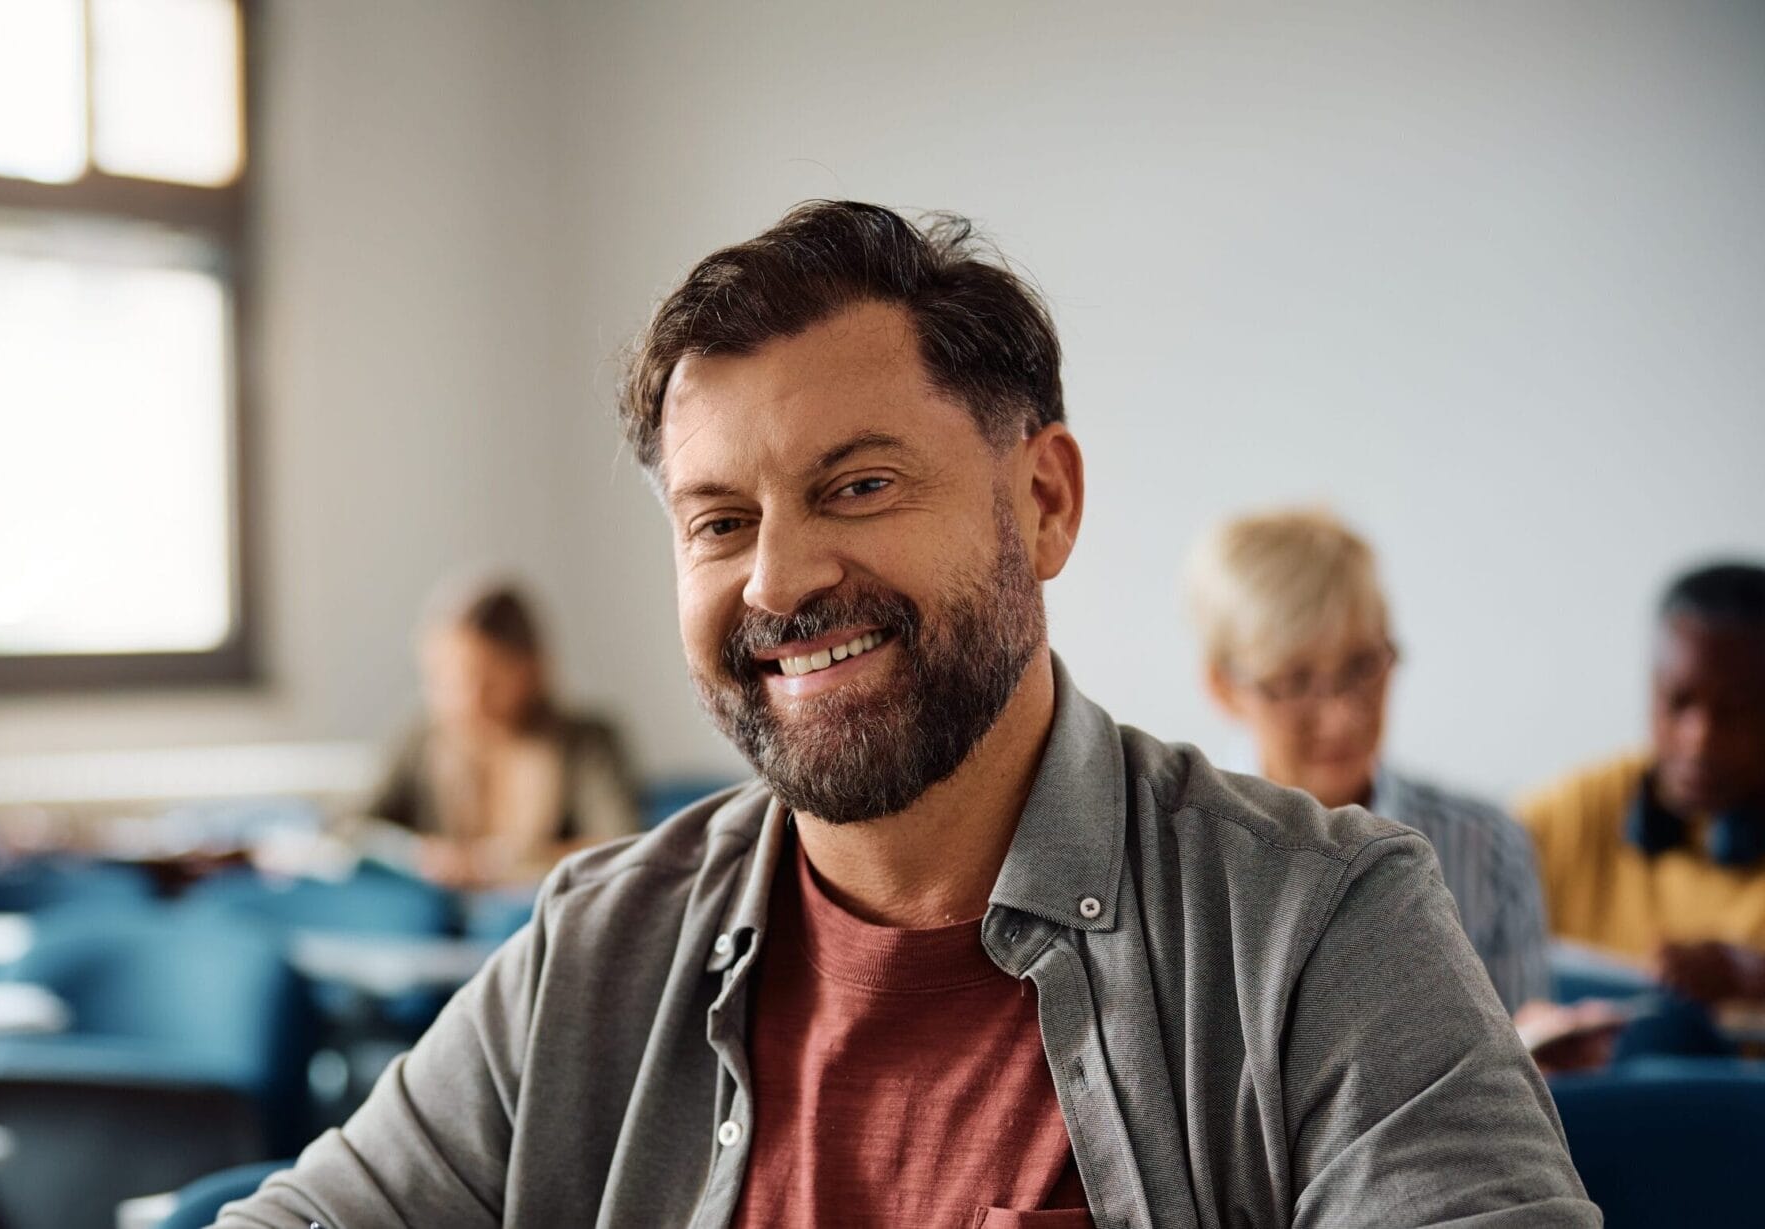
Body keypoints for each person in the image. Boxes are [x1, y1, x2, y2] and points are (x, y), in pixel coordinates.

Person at [220, 202, 1587, 1228]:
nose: (780, 577)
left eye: (860, 486)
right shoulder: (600, 946)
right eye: (720, 520)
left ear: (1043, 501)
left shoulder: (1321, 925)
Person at [1183, 510, 1553, 1006]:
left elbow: (1523, 1063)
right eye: (1295, 682)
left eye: (1361, 666)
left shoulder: (1488, 849)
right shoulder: (1176, 858)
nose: (1341, 717)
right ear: (1224, 688)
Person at [1519, 561, 1765, 1004]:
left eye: (1735, 711)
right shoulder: (1578, 811)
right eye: (1678, 702)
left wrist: (1751, 980)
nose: (1699, 738)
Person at [367, 579, 640, 889]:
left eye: (487, 680)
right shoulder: (420, 739)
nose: (466, 699)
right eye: (444, 680)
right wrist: (418, 854)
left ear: (530, 668)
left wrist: (506, 864)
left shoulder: (587, 743)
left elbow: (622, 846)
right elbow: (355, 829)